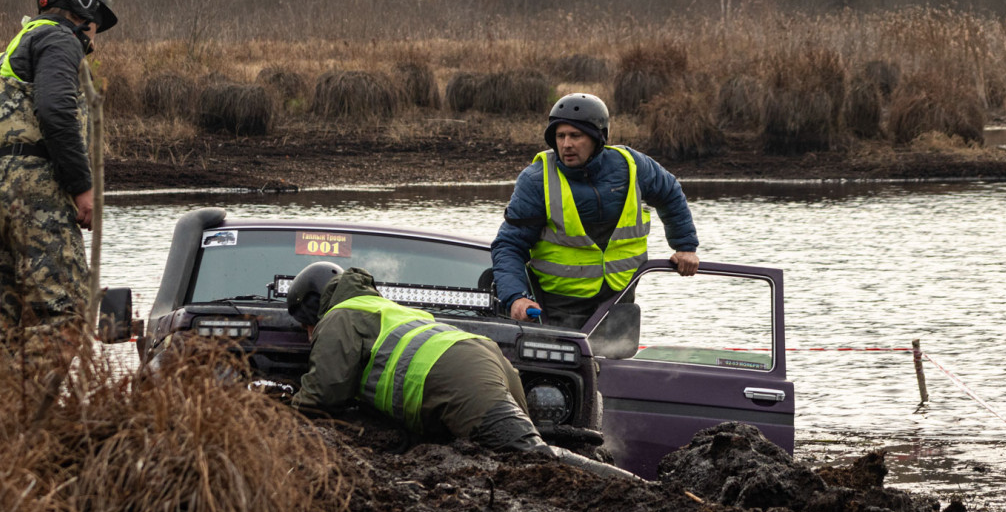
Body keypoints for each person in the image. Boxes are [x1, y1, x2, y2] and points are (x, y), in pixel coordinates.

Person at [286, 262, 639, 480]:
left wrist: (285, 410)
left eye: (305, 327)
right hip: (484, 359)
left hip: (458, 376)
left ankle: (635, 489)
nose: (308, 336)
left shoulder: (338, 316)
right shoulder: (381, 307)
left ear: (313, 311)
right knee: (518, 456)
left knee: (531, 457)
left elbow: (326, 390)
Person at [0, 0, 118, 396]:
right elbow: (55, 110)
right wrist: (82, 186)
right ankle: (28, 424)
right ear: (81, 9)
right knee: (66, 313)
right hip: (33, 191)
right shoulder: (58, 37)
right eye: (95, 23)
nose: (94, 35)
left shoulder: (6, 56)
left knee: (19, 319)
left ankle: (5, 426)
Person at [491, 92, 699, 329]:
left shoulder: (632, 165)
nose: (566, 144)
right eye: (560, 136)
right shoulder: (537, 180)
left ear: (598, 138)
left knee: (615, 362)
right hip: (558, 309)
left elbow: (670, 192)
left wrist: (684, 247)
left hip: (619, 300)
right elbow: (508, 245)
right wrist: (516, 297)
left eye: (575, 135)